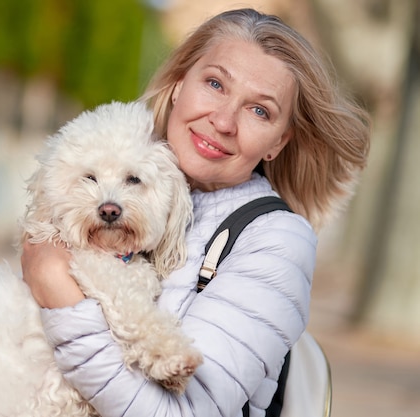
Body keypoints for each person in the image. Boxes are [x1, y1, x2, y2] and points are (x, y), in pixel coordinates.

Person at [21, 7, 370, 417]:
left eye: (260, 111)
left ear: (278, 142)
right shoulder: (102, 169)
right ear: (177, 84)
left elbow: (185, 413)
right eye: (215, 83)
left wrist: (57, 291)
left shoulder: (277, 243)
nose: (223, 121)